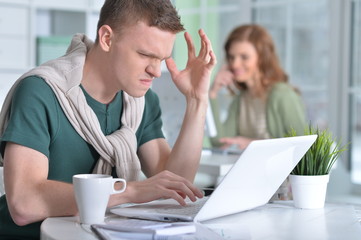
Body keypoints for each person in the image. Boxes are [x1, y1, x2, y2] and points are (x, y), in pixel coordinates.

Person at [0, 0, 216, 239]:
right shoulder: (41, 92)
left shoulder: (141, 102)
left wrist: (197, 100)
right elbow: (24, 203)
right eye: (145, 54)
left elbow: (176, 184)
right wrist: (129, 191)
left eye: (162, 59)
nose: (156, 71)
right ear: (106, 39)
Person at [208, 24, 306, 201]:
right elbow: (218, 142)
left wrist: (251, 143)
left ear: (262, 58)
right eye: (231, 57)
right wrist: (213, 93)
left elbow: (302, 147)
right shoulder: (241, 99)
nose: (235, 64)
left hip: (281, 192)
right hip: (250, 189)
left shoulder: (282, 95)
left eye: (244, 57)